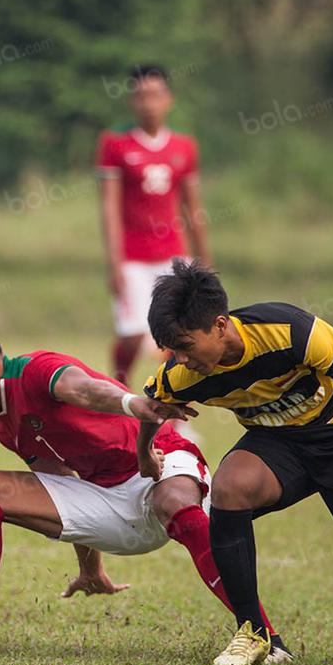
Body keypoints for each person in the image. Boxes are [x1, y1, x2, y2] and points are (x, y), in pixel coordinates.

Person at [0, 313, 290, 662]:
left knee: (175, 502)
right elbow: (66, 487)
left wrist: (133, 404)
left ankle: (266, 639)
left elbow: (83, 388)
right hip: (111, 504)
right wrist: (90, 570)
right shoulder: (3, 424)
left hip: (160, 463)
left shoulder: (36, 370)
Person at [139, 259, 333, 665]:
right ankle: (252, 630)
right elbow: (153, 406)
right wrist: (146, 453)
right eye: (172, 350)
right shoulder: (183, 375)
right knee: (230, 486)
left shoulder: (292, 332)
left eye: (186, 346)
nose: (180, 359)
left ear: (219, 325)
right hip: (279, 444)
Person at [96, 64, 211, 408]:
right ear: (132, 100)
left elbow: (194, 209)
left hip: (173, 255)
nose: (149, 102)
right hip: (132, 257)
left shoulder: (184, 147)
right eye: (141, 95)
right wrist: (114, 263)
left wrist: (204, 261)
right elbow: (109, 208)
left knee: (178, 338)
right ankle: (118, 392)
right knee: (132, 334)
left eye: (155, 94)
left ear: (169, 99)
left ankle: (172, 410)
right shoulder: (115, 144)